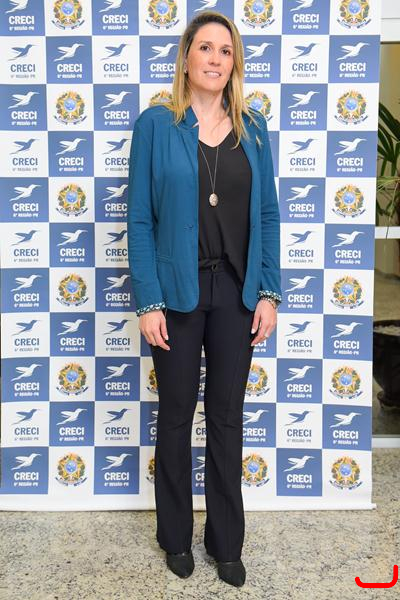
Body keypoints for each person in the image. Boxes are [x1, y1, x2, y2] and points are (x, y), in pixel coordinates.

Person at [127, 10, 281, 588]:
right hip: (176, 294)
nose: (216, 59)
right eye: (206, 47)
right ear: (186, 56)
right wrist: (148, 301)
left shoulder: (254, 128)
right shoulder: (155, 125)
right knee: (174, 416)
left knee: (226, 417)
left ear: (233, 62)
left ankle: (225, 542)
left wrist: (268, 292)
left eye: (226, 50)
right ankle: (174, 536)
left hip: (237, 294)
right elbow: (139, 219)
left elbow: (268, 215)